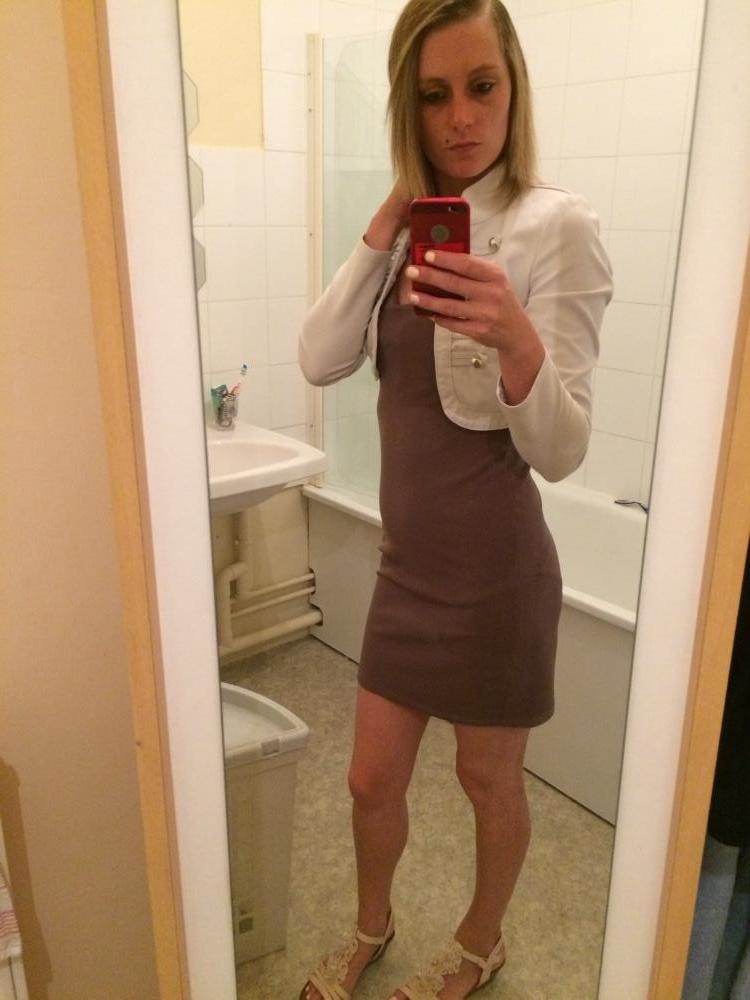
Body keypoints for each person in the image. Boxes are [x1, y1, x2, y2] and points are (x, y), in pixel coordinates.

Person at [298, 1, 613, 997]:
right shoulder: (409, 232)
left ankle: (483, 940)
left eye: (482, 86)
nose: (462, 118)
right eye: (433, 96)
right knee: (368, 780)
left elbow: (563, 453)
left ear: (514, 86)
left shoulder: (557, 225)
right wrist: (385, 222)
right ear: (409, 107)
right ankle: (373, 923)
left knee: (488, 780)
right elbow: (318, 358)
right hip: (409, 571)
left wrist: (516, 337)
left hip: (496, 576)